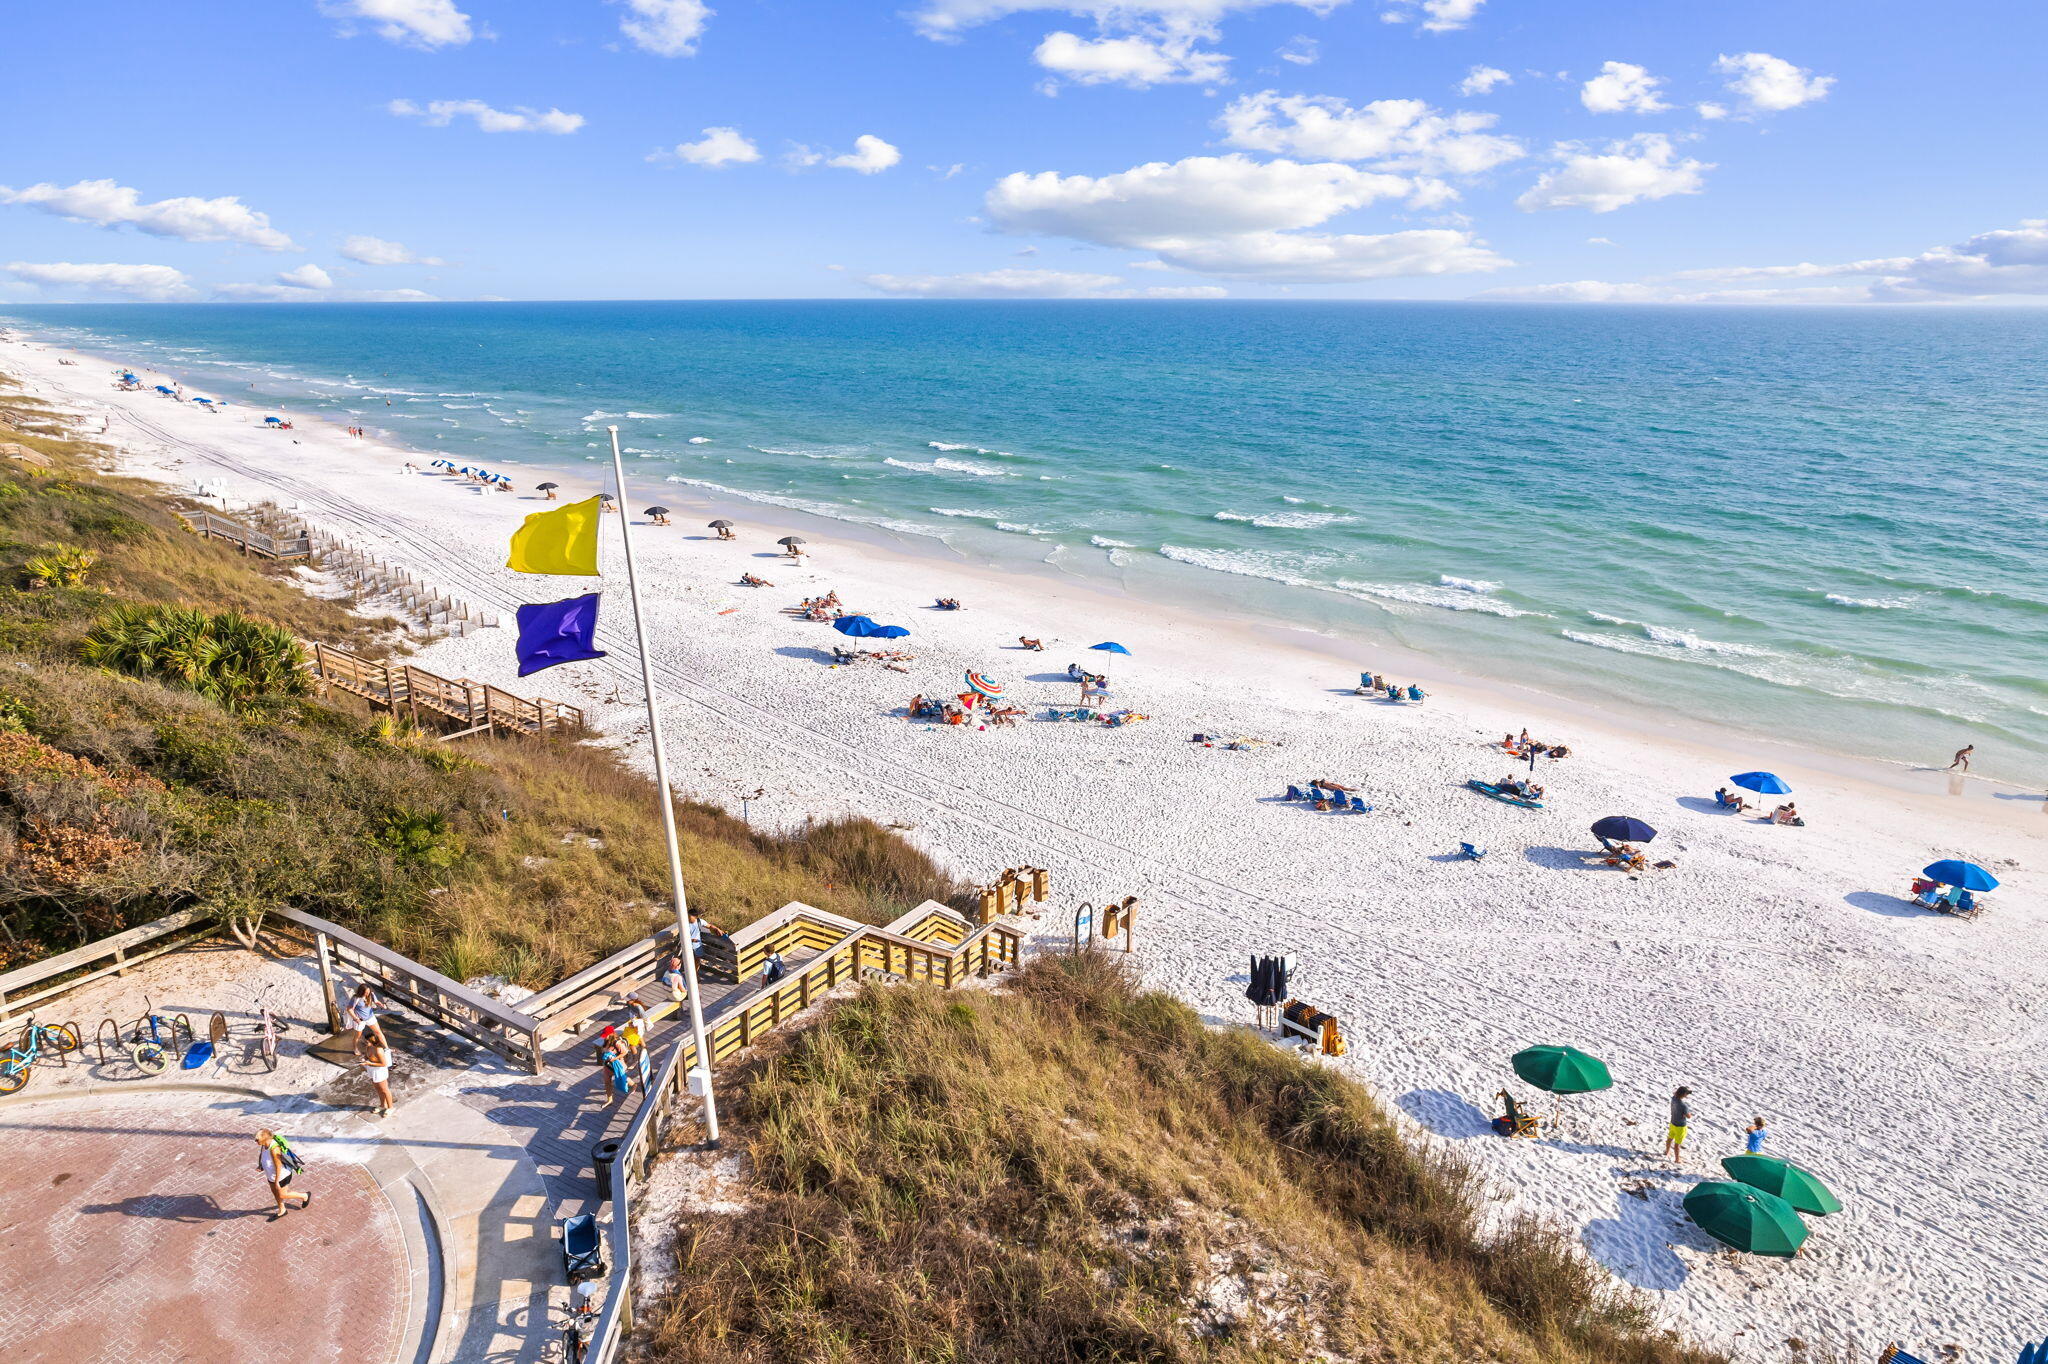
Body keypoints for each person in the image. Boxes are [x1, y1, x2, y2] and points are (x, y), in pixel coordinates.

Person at [255, 1129, 310, 1219]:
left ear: (265, 1138)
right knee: (275, 1192)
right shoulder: (264, 1145)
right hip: (271, 1175)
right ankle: (282, 1210)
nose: (256, 1141)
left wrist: (276, 1182)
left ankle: (305, 1196)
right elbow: (262, 1155)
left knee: (282, 1194)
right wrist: (260, 1165)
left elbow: (278, 1166)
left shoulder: (274, 1149)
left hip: (282, 1176)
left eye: (257, 1139)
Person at [357, 1029, 395, 1117]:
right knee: (378, 1089)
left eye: (366, 1041)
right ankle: (383, 1105)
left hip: (380, 1071)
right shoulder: (368, 1047)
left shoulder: (378, 1050)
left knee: (385, 1090)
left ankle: (391, 1107)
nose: (364, 1042)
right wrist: (364, 1059)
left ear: (371, 1041)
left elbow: (384, 1064)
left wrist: (369, 1063)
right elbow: (367, 1056)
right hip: (372, 1070)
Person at [1664, 1087, 1693, 1165]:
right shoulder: (1684, 1106)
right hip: (1680, 1127)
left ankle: (1667, 1152)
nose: (1687, 1095)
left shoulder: (1673, 1099)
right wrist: (1690, 1114)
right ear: (1684, 1095)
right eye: (1687, 1093)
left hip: (1672, 1123)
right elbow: (1688, 1116)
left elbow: (1675, 1093)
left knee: (1669, 1138)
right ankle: (1677, 1160)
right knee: (1677, 1144)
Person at [598, 1037, 631, 1104]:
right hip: (608, 1065)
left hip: (617, 1064)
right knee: (607, 1082)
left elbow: (625, 1052)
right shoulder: (606, 1041)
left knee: (622, 1078)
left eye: (606, 1035)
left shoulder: (617, 1043)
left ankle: (633, 1085)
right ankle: (609, 1100)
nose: (604, 1036)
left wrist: (615, 1058)